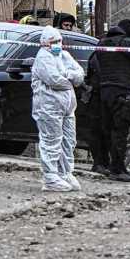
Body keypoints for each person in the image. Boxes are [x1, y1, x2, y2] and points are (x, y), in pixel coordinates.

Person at [31, 27, 85, 192]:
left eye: (59, 41)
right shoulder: (43, 58)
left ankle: (65, 172)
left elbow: (80, 73)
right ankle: (50, 176)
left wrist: (68, 75)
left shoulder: (64, 55)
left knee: (68, 141)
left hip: (68, 107)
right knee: (51, 141)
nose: (58, 45)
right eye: (54, 42)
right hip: (48, 107)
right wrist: (71, 79)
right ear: (45, 43)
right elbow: (55, 80)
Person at [96, 19, 130, 181]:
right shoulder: (128, 43)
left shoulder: (101, 44)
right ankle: (118, 169)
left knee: (107, 130)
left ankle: (106, 164)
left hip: (105, 91)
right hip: (122, 91)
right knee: (120, 131)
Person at [83, 51, 109, 175]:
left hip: (101, 95)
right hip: (99, 96)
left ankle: (102, 162)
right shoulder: (99, 55)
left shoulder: (97, 54)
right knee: (98, 131)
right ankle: (99, 162)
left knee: (102, 131)